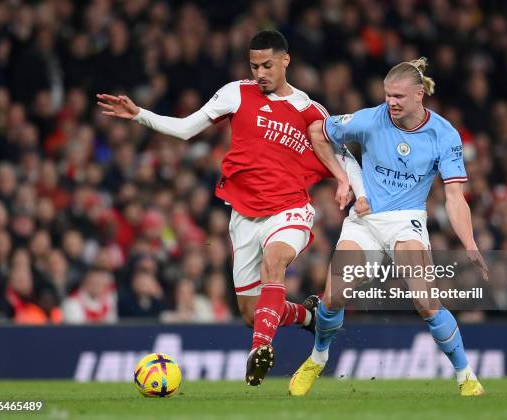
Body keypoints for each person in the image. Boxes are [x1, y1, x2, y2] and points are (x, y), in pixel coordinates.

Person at [97, 30, 365, 386]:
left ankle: (259, 351)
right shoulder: (235, 93)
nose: (260, 73)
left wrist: (358, 194)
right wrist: (140, 115)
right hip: (244, 217)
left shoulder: (310, 111)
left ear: (286, 61)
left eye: (267, 65)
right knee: (252, 314)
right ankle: (307, 317)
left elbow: (344, 159)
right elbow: (185, 129)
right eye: (254, 66)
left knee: (275, 263)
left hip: (289, 211)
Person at [289, 58, 489, 397]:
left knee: (425, 301)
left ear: (418, 95)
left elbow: (455, 197)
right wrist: (343, 178)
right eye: (387, 95)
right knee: (333, 296)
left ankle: (466, 375)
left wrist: (469, 242)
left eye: (398, 96)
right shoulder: (369, 119)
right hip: (364, 221)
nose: (391, 102)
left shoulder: (444, 134)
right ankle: (317, 359)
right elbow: (317, 133)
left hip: (406, 221)